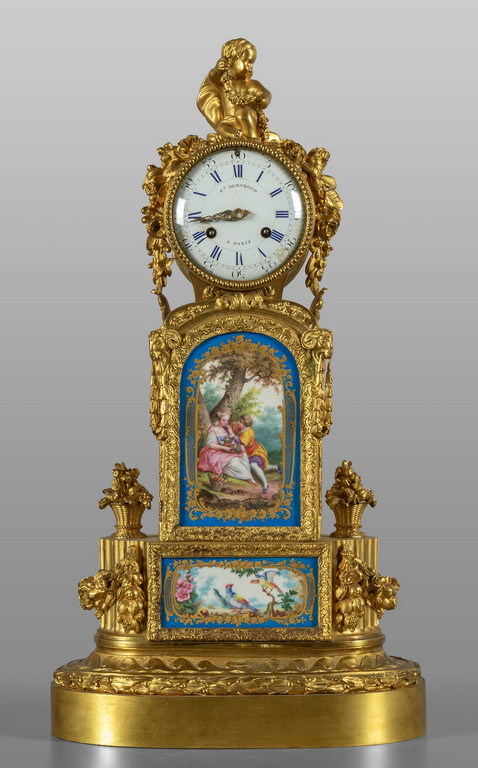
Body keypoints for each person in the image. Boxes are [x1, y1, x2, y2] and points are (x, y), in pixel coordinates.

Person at [198, 411, 258, 485]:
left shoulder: (225, 429)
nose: (226, 422)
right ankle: (247, 477)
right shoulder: (213, 430)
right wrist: (224, 447)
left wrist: (236, 446)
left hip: (224, 451)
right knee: (234, 462)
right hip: (214, 452)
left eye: (227, 421)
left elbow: (229, 441)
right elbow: (210, 444)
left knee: (242, 455)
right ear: (219, 420)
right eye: (223, 420)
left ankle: (248, 477)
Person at [231, 414, 281, 495]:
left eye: (240, 422)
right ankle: (275, 468)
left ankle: (265, 484)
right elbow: (230, 425)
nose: (238, 423)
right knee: (255, 469)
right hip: (245, 454)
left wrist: (232, 435)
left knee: (253, 465)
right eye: (239, 421)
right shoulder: (239, 427)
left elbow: (239, 442)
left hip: (254, 452)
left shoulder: (247, 433)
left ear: (245, 425)